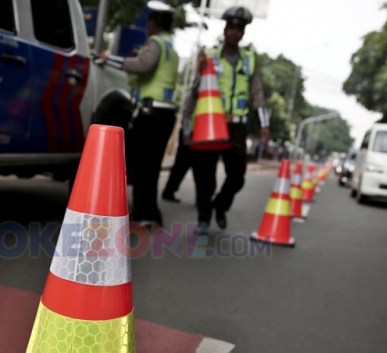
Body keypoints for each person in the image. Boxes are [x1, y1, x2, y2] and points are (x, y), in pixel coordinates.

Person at [181, 6, 270, 232]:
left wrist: (264, 124)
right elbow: (195, 92)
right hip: (210, 126)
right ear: (225, 28)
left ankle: (219, 205)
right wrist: (186, 124)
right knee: (204, 176)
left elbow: (258, 94)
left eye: (240, 28)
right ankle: (203, 217)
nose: (235, 31)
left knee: (237, 176)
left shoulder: (250, 60)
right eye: (231, 26)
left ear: (243, 32)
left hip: (237, 127)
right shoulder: (209, 58)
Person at [95, 1, 179, 227]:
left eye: (149, 21)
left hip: (152, 114)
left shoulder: (155, 42)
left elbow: (143, 66)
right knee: (150, 166)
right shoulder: (172, 48)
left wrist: (109, 59)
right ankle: (150, 214)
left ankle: (144, 214)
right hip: (165, 113)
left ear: (153, 23)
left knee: (142, 165)